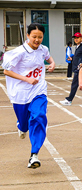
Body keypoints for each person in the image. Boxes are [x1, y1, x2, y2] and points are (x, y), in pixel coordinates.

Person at [2, 23, 56, 169]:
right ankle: (21, 125)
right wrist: (27, 79)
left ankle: (34, 154)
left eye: (40, 37)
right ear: (27, 36)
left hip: (38, 90)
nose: (37, 40)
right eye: (34, 37)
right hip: (20, 93)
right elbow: (6, 71)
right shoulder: (19, 52)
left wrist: (52, 63)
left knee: (39, 116)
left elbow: (48, 57)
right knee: (25, 125)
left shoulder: (43, 49)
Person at [60, 32, 82, 106]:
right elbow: (78, 56)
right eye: (75, 38)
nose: (76, 39)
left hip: (80, 69)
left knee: (75, 84)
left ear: (81, 38)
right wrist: (72, 59)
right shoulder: (77, 47)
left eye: (77, 38)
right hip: (77, 68)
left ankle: (69, 99)